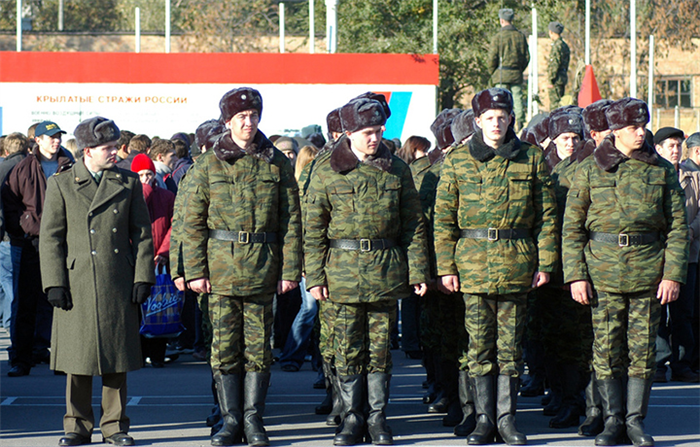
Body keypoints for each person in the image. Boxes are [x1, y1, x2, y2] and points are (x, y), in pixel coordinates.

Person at [434, 88, 558, 446]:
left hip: (517, 263)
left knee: (510, 349)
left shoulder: (531, 158)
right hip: (472, 266)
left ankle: (506, 420)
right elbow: (443, 220)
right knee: (479, 348)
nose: (496, 123)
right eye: (489, 117)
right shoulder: (458, 161)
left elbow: (547, 218)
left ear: (511, 120)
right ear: (477, 121)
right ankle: (483, 419)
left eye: (502, 117)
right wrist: (446, 268)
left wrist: (545, 263)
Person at [562, 98, 689, 447]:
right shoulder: (591, 169)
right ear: (615, 131)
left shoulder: (661, 169)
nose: (641, 132)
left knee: (643, 351)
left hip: (648, 273)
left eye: (643, 125)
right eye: (633, 126)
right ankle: (612, 419)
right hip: (602, 273)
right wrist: (576, 275)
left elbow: (678, 228)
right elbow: (572, 229)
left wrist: (672, 274)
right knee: (605, 350)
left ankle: (635, 421)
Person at [304, 97, 429, 446]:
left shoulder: (396, 169)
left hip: (385, 274)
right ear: (350, 132)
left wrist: (417, 271)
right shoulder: (327, 169)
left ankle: (377, 419)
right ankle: (351, 418)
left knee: (379, 351)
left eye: (378, 131)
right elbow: (313, 228)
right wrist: (314, 276)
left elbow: (413, 226)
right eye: (368, 132)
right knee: (346, 350)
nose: (375, 138)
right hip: (341, 274)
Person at [182, 87, 302, 447]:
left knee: (259, 349)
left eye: (253, 116)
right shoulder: (209, 163)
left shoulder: (276, 162)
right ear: (228, 121)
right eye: (241, 118)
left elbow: (291, 221)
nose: (248, 123)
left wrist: (289, 270)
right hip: (220, 270)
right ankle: (230, 420)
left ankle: (253, 419)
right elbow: (192, 222)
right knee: (224, 349)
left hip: (263, 269)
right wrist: (195, 270)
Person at [39, 116, 155, 447]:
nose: (116, 153)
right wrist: (54, 283)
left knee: (116, 358)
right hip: (76, 283)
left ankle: (115, 426)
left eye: (116, 147)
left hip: (117, 278)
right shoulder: (61, 184)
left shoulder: (128, 182)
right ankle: (76, 425)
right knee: (78, 360)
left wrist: (142, 276)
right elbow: (51, 239)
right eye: (108, 148)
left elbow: (142, 234)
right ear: (88, 151)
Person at [2, 120, 74, 377]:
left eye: (58, 137)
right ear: (38, 140)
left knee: (61, 299)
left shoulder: (70, 166)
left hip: (63, 243)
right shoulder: (23, 168)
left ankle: (62, 357)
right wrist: (24, 227)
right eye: (51, 137)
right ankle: (21, 359)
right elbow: (10, 203)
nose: (56, 141)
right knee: (25, 302)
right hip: (30, 244)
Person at [653, 127, 700, 383]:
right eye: (670, 145)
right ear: (658, 148)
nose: (675, 150)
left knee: (683, 312)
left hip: (687, 253)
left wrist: (691, 231)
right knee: (658, 313)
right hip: (656, 255)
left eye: (678, 145)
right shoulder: (651, 174)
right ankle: (658, 364)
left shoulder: (693, 176)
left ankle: (682, 363)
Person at [131, 153, 176, 368]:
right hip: (136, 258)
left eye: (149, 174)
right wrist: (144, 190)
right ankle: (138, 353)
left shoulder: (166, 197)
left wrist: (164, 252)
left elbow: (174, 227)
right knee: (138, 307)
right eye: (140, 175)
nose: (146, 179)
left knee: (159, 305)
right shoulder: (130, 196)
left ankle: (158, 354)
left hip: (160, 259)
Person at [278, 145, 320, 373]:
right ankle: (291, 354)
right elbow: (296, 229)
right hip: (307, 257)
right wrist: (300, 263)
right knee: (310, 308)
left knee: (316, 310)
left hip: (320, 257)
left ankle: (316, 358)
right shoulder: (298, 191)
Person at [488, 8, 530, 130]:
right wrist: (519, 69)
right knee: (517, 98)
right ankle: (519, 124)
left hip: (501, 73)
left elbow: (492, 57)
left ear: (501, 20)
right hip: (516, 72)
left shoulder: (498, 37)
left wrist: (493, 72)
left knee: (499, 101)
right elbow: (526, 57)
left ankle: (501, 123)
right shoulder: (520, 36)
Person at [547, 21, 570, 110]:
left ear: (552, 32)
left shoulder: (557, 46)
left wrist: (551, 79)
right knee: (560, 103)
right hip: (562, 77)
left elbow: (554, 64)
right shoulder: (564, 45)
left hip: (556, 80)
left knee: (554, 106)